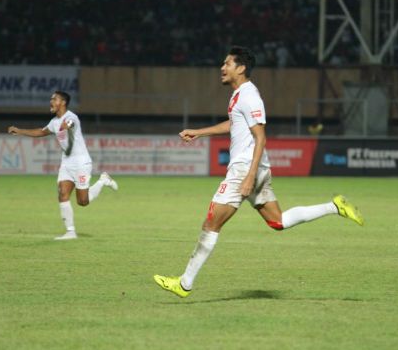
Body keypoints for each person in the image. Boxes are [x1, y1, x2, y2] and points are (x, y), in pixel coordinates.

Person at [153, 46, 363, 298]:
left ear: (241, 68)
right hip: (254, 166)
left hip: (245, 167)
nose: (222, 67)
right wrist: (199, 131)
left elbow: (260, 137)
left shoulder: (249, 96)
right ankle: (334, 206)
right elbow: (235, 124)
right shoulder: (239, 95)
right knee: (278, 221)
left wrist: (250, 176)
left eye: (227, 64)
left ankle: (185, 283)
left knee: (211, 223)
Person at [7, 90, 118, 240]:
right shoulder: (54, 122)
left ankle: (103, 180)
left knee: (82, 201)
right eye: (51, 99)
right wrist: (20, 131)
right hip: (66, 162)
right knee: (62, 193)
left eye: (54, 99)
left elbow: (71, 124)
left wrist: (68, 126)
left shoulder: (71, 117)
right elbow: (41, 131)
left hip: (81, 163)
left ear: (63, 102)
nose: (51, 101)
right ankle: (70, 232)